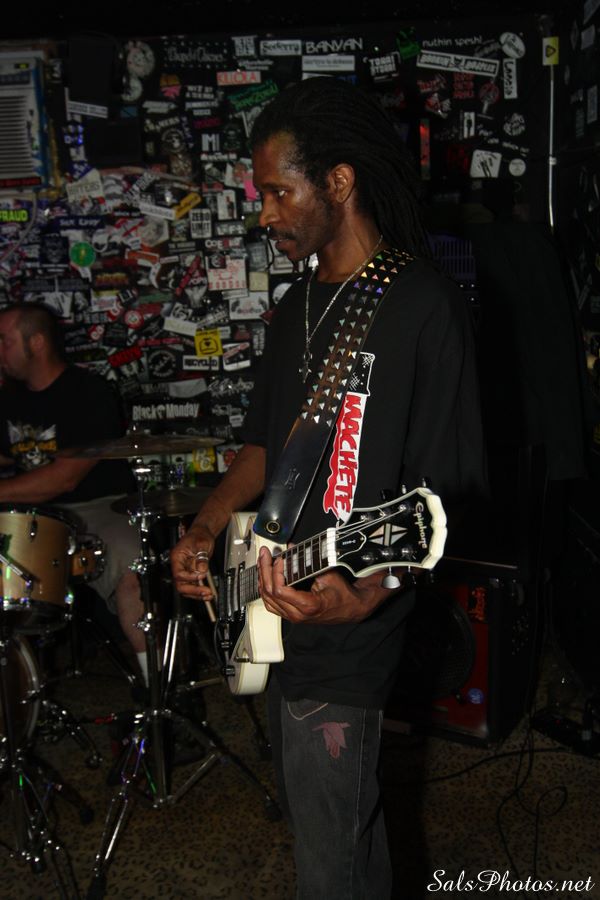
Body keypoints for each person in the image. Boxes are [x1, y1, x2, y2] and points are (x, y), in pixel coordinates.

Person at [171, 77, 486, 898]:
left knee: (326, 864)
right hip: (277, 600)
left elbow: (448, 488)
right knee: (340, 841)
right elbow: (263, 448)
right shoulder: (296, 307)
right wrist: (207, 526)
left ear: (338, 183)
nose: (265, 213)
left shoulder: (422, 304)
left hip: (350, 627)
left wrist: (372, 592)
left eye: (279, 191)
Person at [0, 303, 148, 684]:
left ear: (36, 342)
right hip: (30, 515)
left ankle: (157, 689)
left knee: (133, 570)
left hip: (98, 508)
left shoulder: (88, 392)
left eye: (4, 341)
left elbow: (63, 479)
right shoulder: (8, 399)